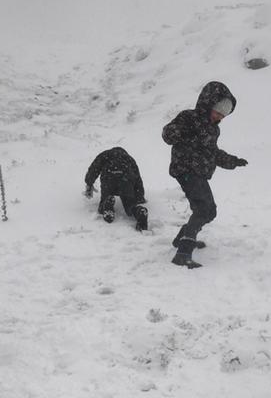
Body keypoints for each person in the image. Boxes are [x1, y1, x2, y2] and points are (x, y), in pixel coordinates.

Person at [162, 81, 247, 268]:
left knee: (209, 211)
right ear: (208, 104)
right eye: (218, 111)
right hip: (185, 169)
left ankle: (183, 238)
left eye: (224, 114)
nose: (220, 117)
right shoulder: (189, 117)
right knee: (203, 209)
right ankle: (183, 253)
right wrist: (181, 131)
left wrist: (232, 161)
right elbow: (168, 134)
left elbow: (212, 152)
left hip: (199, 173)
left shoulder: (213, 129)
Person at [84, 146, 148, 231]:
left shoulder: (105, 154)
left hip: (109, 177)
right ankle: (138, 211)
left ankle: (107, 204)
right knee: (130, 204)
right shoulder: (129, 158)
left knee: (104, 201)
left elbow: (94, 169)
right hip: (125, 180)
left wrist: (89, 183)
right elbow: (137, 179)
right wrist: (140, 197)